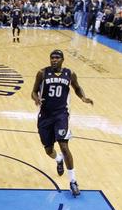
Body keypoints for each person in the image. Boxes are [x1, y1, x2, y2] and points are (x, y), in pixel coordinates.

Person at [31, 50, 93, 197]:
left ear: (63, 60)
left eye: (57, 58)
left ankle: (73, 181)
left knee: (64, 146)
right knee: (48, 150)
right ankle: (58, 159)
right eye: (52, 58)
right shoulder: (42, 73)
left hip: (61, 115)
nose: (54, 60)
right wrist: (36, 98)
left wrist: (83, 97)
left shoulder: (69, 74)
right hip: (45, 116)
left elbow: (77, 88)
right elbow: (33, 91)